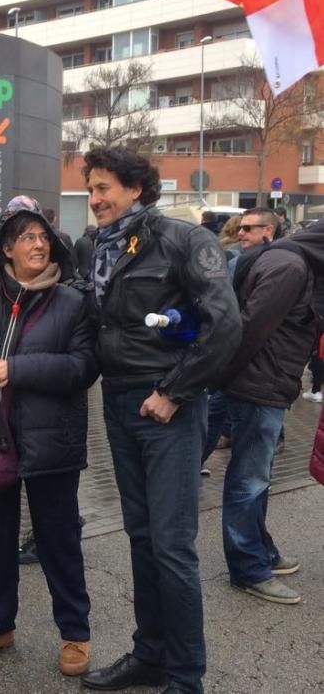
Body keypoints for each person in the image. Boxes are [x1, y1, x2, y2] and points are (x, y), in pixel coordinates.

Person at [80, 147, 241, 694]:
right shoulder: (99, 248)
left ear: (135, 188)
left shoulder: (183, 240)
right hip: (119, 405)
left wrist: (173, 392)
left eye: (103, 188)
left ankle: (185, 677)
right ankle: (149, 656)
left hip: (167, 408)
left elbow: (225, 326)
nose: (95, 199)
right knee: (142, 537)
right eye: (92, 189)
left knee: (172, 547)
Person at [0, 196, 97, 676]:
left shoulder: (72, 300)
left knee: (58, 540)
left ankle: (75, 633)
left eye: (43, 237)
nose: (39, 244)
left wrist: (20, 369)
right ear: (7, 250)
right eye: (27, 237)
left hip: (52, 439)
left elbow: (84, 366)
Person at [204, 207, 317, 605]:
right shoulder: (289, 267)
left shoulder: (292, 260)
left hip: (264, 383)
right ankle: (248, 567)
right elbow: (249, 328)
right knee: (248, 479)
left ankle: (261, 550)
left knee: (258, 476)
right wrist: (221, 376)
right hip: (258, 386)